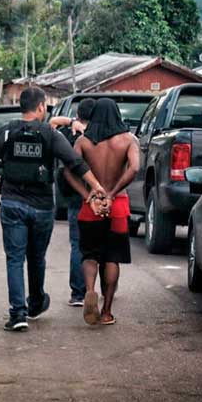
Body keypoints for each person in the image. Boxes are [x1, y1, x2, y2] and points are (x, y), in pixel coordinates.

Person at [0, 87, 106, 332]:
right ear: (40, 107)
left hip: (12, 203)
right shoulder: (50, 134)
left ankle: (18, 314)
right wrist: (97, 187)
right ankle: (36, 302)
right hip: (41, 208)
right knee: (36, 258)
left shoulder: (5, 132)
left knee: (15, 259)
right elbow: (75, 162)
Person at [64, 98, 140, 326]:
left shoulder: (84, 142)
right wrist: (113, 192)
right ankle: (106, 311)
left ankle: (89, 291)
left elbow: (68, 171)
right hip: (117, 205)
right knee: (112, 257)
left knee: (89, 254)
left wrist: (88, 195)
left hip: (92, 206)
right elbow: (135, 168)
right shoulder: (129, 140)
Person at [55, 98, 96, 307]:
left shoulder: (69, 134)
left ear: (78, 115)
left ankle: (78, 293)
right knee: (99, 245)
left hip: (75, 196)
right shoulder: (104, 135)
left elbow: (51, 123)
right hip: (99, 195)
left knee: (77, 243)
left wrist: (71, 122)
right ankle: (99, 289)